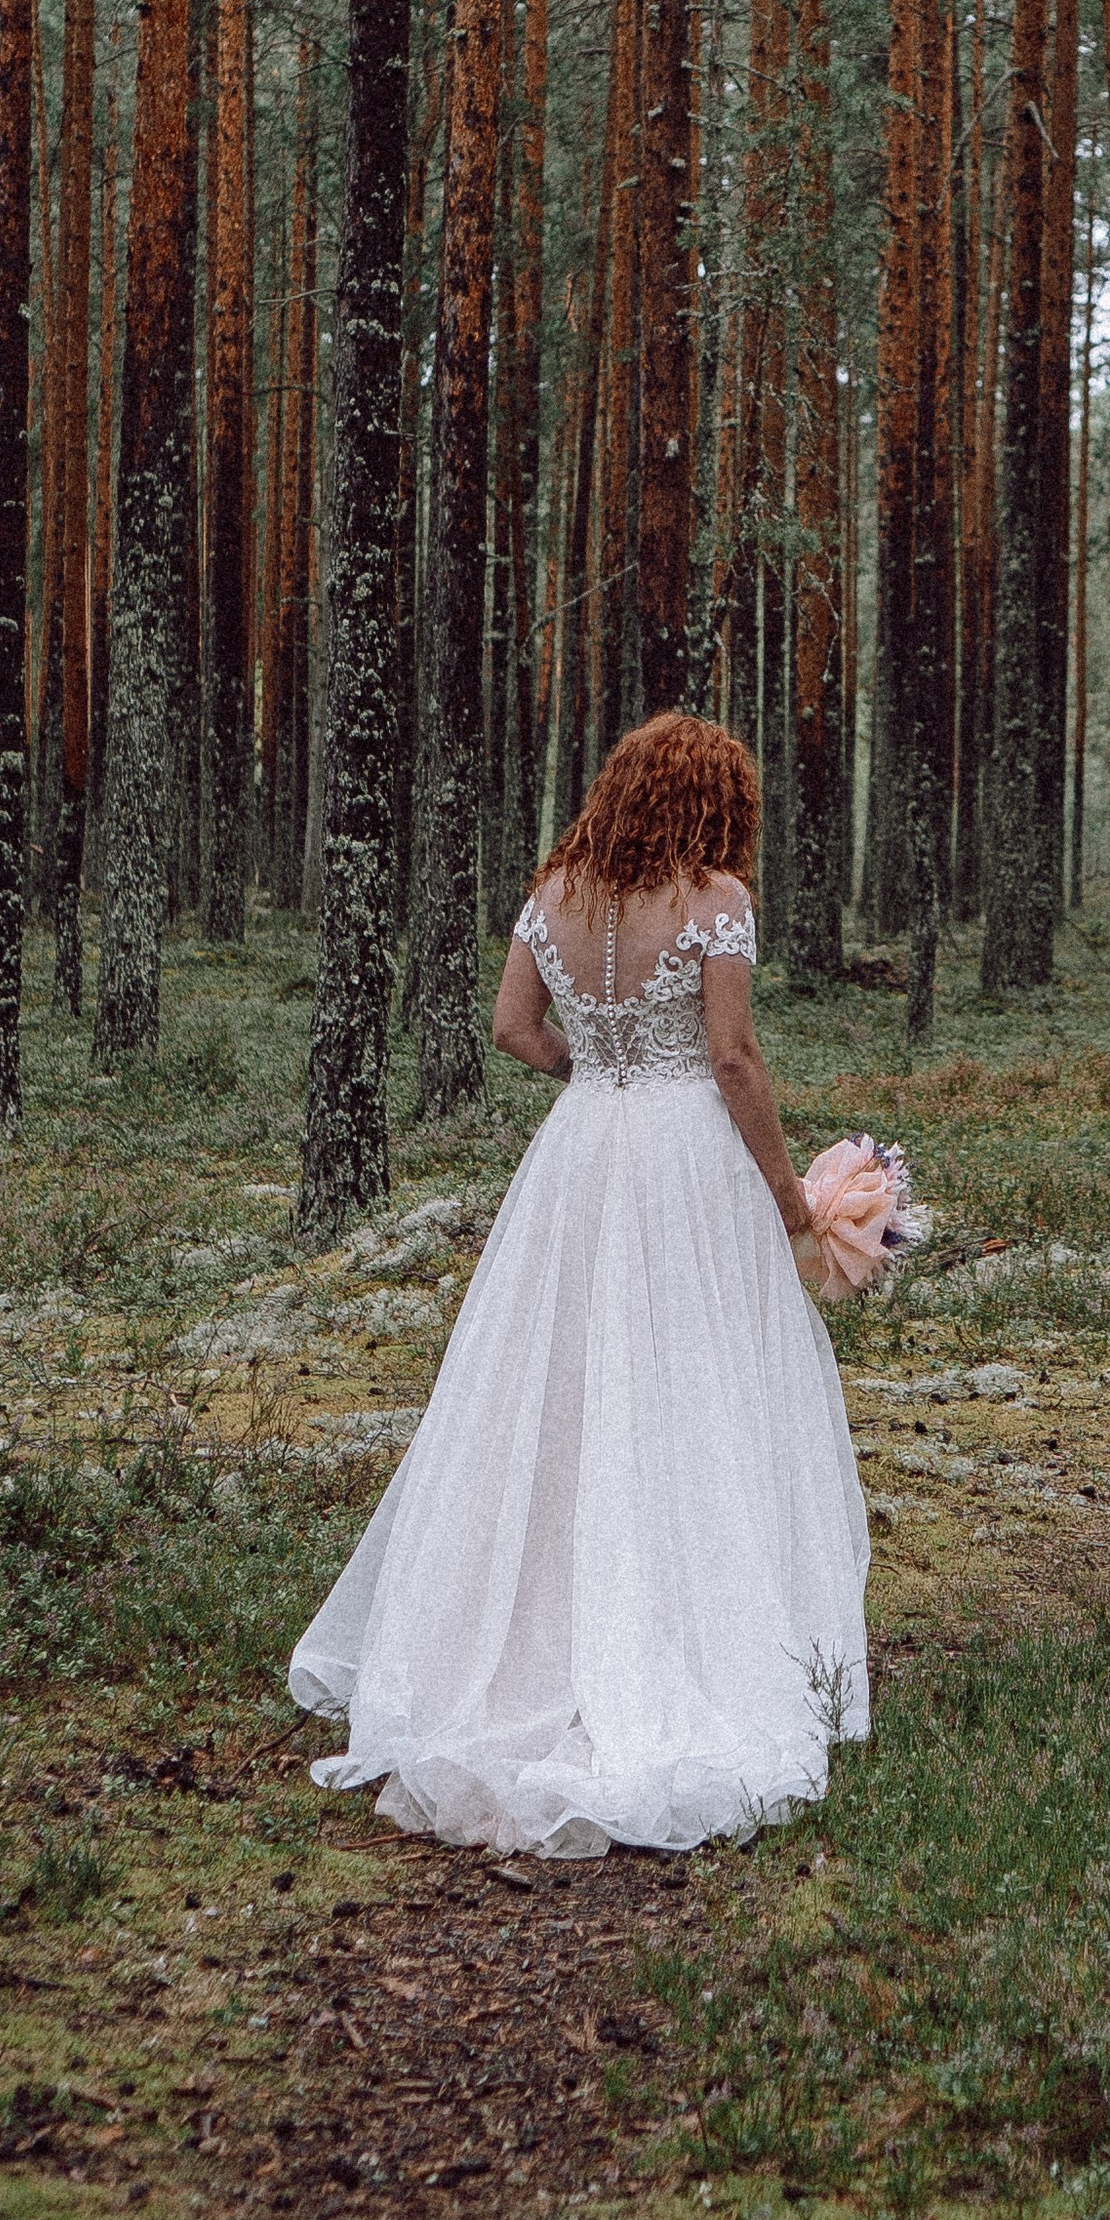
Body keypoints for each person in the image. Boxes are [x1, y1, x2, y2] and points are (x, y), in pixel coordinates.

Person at [288, 712, 869, 1857]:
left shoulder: (555, 888)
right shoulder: (715, 900)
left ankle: (517, 1638)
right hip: (684, 1161)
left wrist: (589, 1074)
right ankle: (681, 1636)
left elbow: (512, 1026)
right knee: (694, 1380)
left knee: (550, 1392)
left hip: (579, 1155)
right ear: (716, 801)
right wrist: (787, 1194)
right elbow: (733, 1058)